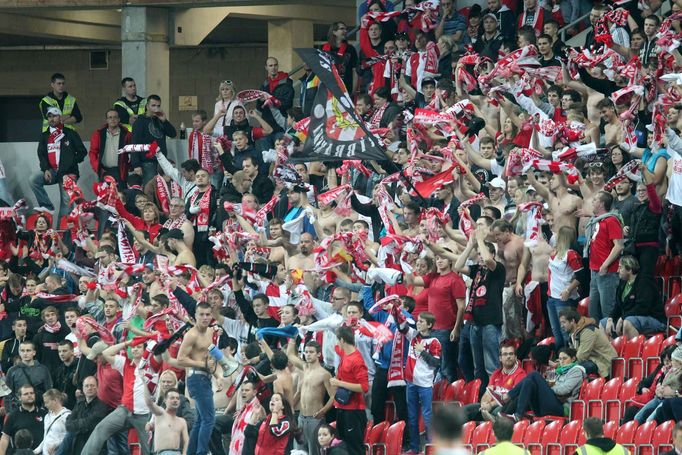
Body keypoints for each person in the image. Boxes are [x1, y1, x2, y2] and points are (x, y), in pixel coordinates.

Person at [80, 338, 158, 455]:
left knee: (148, 449)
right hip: (124, 410)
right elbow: (106, 353)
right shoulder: (125, 363)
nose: (135, 349)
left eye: (139, 347)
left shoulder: (152, 365)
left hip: (144, 413)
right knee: (100, 428)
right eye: (133, 347)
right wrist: (126, 343)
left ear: (145, 349)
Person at [455, 229, 505, 387]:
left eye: (483, 254)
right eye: (479, 255)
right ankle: (480, 397)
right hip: (474, 323)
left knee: (491, 365)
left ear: (492, 255)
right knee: (478, 367)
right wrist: (470, 245)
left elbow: (489, 261)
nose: (481, 258)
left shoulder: (498, 269)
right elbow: (458, 265)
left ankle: (494, 397)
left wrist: (481, 240)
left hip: (490, 322)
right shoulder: (477, 270)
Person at [30, 106, 87, 219]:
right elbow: (41, 154)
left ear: (60, 117)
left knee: (66, 204)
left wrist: (70, 163)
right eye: (49, 116)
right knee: (33, 179)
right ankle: (47, 206)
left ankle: (64, 233)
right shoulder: (45, 135)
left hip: (68, 172)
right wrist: (45, 169)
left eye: (54, 116)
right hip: (52, 171)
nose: (52, 119)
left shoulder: (70, 133)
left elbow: (82, 152)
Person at [502, 347, 586, 421]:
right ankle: (517, 415)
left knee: (534, 375)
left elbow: (564, 390)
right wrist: (547, 386)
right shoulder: (559, 371)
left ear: (573, 359)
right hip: (547, 405)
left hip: (561, 408)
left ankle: (508, 396)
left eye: (564, 358)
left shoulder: (576, 371)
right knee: (529, 383)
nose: (562, 361)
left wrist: (548, 387)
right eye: (560, 359)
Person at [176, 302, 216, 455]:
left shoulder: (211, 331)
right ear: (195, 316)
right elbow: (180, 359)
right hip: (196, 378)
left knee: (201, 420)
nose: (205, 318)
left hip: (204, 378)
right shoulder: (191, 335)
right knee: (209, 419)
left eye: (207, 314)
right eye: (201, 314)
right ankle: (201, 453)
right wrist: (202, 364)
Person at [401, 311, 441, 455]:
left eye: (421, 321)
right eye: (418, 321)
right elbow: (401, 327)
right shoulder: (413, 335)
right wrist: (395, 310)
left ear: (429, 325)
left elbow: (436, 363)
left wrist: (422, 351)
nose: (418, 323)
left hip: (424, 384)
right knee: (411, 417)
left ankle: (431, 448)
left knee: (427, 416)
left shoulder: (434, 342)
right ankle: (414, 448)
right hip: (411, 382)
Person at [285, 340, 334, 455]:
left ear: (318, 354)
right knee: (298, 451)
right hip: (301, 418)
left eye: (311, 352)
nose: (308, 354)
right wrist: (292, 338)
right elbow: (290, 355)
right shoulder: (304, 368)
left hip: (315, 419)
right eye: (306, 352)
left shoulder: (324, 374)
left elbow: (333, 396)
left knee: (314, 452)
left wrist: (324, 410)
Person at [601, 256, 666, 340]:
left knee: (628, 322)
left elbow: (643, 308)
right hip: (629, 317)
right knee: (603, 323)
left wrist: (623, 318)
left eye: (620, 268)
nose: (617, 271)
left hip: (654, 319)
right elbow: (617, 306)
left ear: (629, 269)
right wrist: (610, 318)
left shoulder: (644, 282)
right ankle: (612, 352)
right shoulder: (622, 283)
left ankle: (633, 351)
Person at [585, 191, 624, 321]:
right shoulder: (597, 221)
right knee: (593, 310)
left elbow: (619, 246)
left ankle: (611, 339)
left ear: (602, 204)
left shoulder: (612, 220)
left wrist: (605, 265)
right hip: (594, 270)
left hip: (607, 272)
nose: (592, 201)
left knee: (607, 310)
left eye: (595, 199)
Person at [330, 326, 369, 455]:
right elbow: (336, 348)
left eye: (337, 340)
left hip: (354, 411)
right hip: (342, 408)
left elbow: (364, 387)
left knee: (355, 449)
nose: (336, 343)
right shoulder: (344, 353)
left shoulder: (356, 360)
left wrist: (339, 383)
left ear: (342, 340)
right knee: (344, 446)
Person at [465, 341, 527, 422]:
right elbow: (488, 393)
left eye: (511, 354)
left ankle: (488, 421)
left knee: (495, 412)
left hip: (505, 407)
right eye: (505, 354)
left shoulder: (520, 374)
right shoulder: (496, 373)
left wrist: (490, 405)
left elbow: (512, 400)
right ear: (500, 358)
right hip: (490, 406)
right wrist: (484, 404)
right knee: (465, 410)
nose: (508, 356)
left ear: (515, 357)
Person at [58, 376, 111, 455]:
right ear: (83, 388)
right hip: (78, 442)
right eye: (87, 386)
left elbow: (89, 423)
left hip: (93, 444)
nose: (89, 388)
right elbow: (68, 424)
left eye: (92, 385)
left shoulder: (102, 406)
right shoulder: (79, 404)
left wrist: (76, 424)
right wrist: (79, 425)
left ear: (97, 388)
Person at [131, 94, 177, 185]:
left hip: (162, 161)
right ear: (147, 106)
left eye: (158, 106)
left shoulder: (160, 120)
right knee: (150, 188)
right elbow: (135, 143)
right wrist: (136, 164)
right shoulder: (140, 122)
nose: (156, 108)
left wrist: (165, 121)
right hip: (147, 162)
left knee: (163, 188)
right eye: (153, 105)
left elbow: (173, 134)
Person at [560, 308, 617, 378]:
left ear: (572, 321)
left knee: (575, 368)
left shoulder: (588, 331)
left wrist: (566, 364)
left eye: (564, 322)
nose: (561, 326)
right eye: (561, 323)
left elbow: (581, 356)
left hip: (605, 363)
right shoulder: (573, 334)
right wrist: (561, 363)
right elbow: (572, 355)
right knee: (566, 367)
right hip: (593, 360)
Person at [5, 341, 53, 412]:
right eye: (22, 351)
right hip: (19, 411)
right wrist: (9, 413)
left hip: (39, 410)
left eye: (28, 350)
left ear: (34, 352)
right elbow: (7, 395)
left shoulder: (43, 369)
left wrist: (47, 410)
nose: (25, 353)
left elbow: (49, 391)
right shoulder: (12, 371)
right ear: (19, 353)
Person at [88, 109, 131, 185]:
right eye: (110, 117)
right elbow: (93, 152)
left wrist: (128, 167)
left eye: (115, 117)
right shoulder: (99, 134)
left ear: (119, 119)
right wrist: (97, 167)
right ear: (107, 120)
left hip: (120, 171)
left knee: (121, 195)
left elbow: (133, 151)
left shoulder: (126, 134)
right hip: (104, 171)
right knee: (105, 196)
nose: (112, 119)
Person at [0, 385, 46, 455]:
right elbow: (5, 438)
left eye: (31, 393)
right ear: (19, 397)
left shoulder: (45, 414)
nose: (30, 395)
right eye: (26, 394)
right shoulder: (13, 416)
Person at [143, 386, 189, 455]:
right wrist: (145, 385)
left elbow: (186, 441)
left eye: (177, 398)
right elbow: (149, 403)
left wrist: (184, 453)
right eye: (172, 398)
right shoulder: (161, 413)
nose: (175, 400)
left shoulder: (182, 421)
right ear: (165, 400)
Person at [34, 389, 70, 455]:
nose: (45, 405)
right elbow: (46, 437)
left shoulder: (67, 415)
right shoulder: (47, 417)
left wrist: (56, 445)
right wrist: (36, 451)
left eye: (47, 402)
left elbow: (69, 437)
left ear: (55, 400)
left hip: (60, 452)